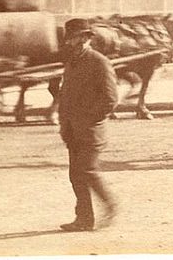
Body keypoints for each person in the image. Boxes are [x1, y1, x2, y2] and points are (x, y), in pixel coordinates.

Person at [58, 18, 119, 231]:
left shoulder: (99, 61)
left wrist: (88, 119)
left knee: (87, 171)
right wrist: (64, 124)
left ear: (86, 38)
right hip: (72, 131)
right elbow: (65, 96)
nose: (74, 43)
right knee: (75, 175)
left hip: (91, 130)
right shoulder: (72, 62)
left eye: (78, 38)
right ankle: (84, 219)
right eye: (71, 39)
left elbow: (111, 99)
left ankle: (111, 204)